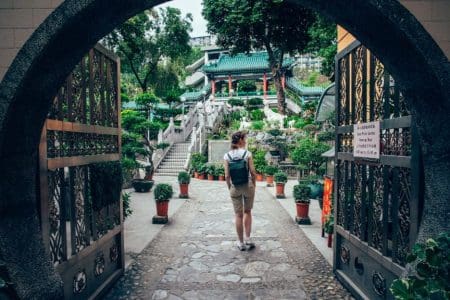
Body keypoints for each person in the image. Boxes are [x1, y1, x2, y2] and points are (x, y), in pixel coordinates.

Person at [224, 131, 257, 251]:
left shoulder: (227, 156)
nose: (246, 140)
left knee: (238, 215)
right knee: (247, 212)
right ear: (241, 140)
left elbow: (227, 176)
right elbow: (253, 172)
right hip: (248, 186)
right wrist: (254, 184)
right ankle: (248, 238)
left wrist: (230, 187)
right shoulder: (247, 154)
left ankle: (241, 243)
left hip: (235, 187)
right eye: (245, 138)